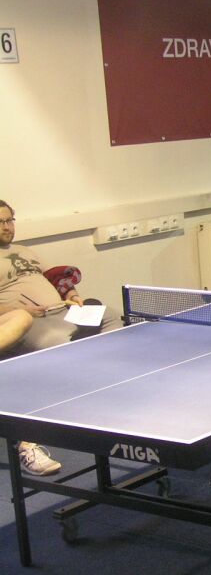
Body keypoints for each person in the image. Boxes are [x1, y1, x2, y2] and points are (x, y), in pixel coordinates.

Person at [1, 199, 122, 475]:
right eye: (1, 222)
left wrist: (72, 294)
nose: (8, 227)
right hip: (29, 321)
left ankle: (109, 386)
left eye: (10, 220)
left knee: (111, 316)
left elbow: (56, 277)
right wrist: (22, 311)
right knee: (60, 344)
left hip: (63, 310)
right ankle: (72, 407)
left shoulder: (25, 251)